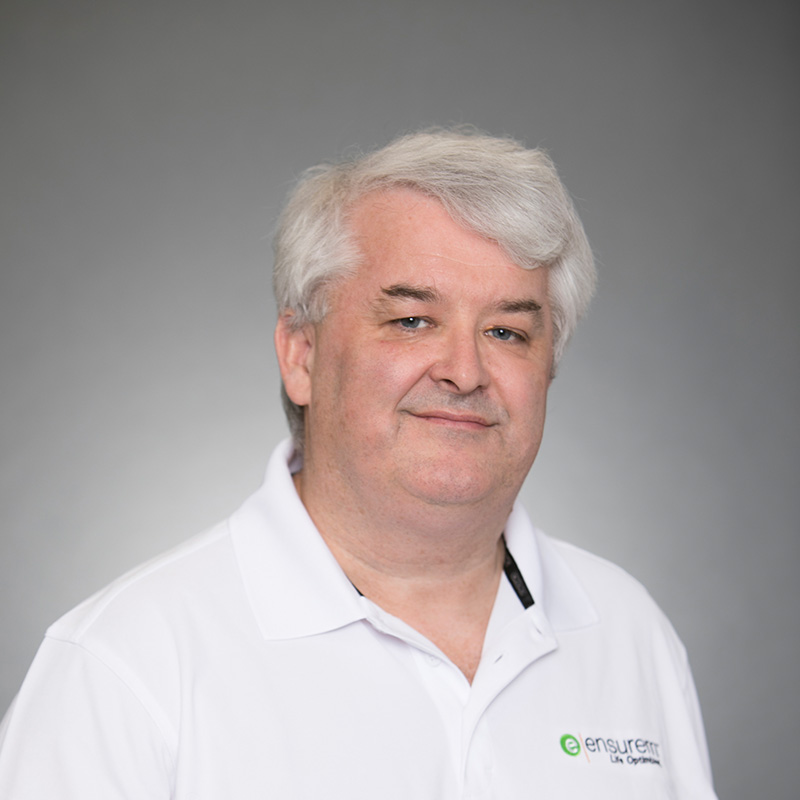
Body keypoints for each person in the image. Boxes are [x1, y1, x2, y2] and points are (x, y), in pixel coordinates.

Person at [0, 129, 717, 798]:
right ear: (301, 355)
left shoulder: (627, 632)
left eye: (506, 331)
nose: (465, 371)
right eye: (412, 320)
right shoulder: (127, 664)